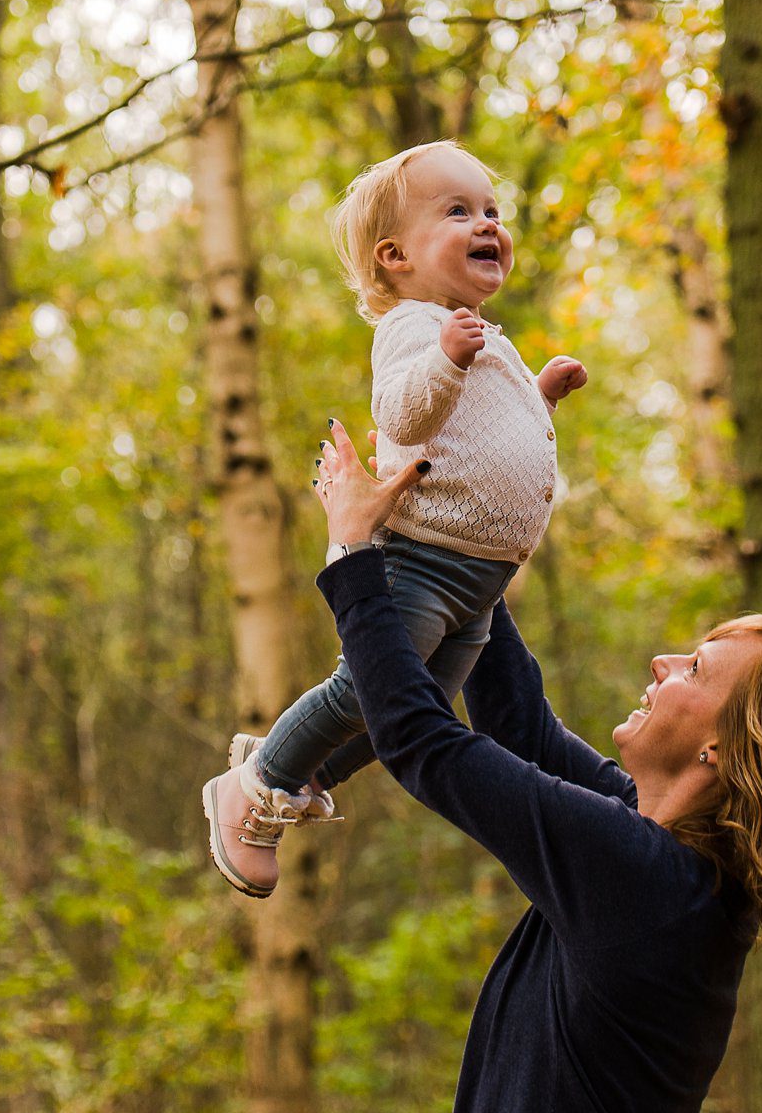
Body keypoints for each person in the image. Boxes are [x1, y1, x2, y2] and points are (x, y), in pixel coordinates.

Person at [295, 419, 762, 1113]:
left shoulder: (647, 883)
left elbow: (422, 741)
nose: (661, 664)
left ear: (723, 750)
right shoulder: (671, 865)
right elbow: (520, 726)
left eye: (696, 670)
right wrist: (460, 535)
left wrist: (355, 553)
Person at [202, 139, 588, 900]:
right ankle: (256, 789)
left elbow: (482, 438)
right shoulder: (414, 328)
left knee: (414, 709)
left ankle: (297, 768)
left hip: (479, 580)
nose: (486, 224)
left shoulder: (477, 332)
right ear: (396, 257)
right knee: (364, 688)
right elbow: (402, 411)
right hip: (427, 562)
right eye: (458, 212)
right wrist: (444, 357)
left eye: (491, 211)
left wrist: (539, 396)